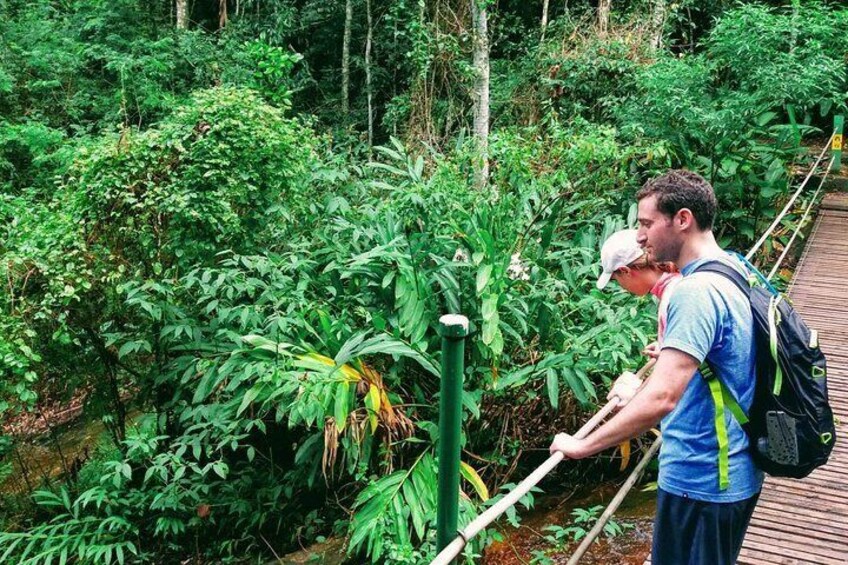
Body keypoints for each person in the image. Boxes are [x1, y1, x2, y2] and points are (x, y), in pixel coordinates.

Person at [551, 170, 762, 565]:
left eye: (646, 224)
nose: (641, 238)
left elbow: (662, 397)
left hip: (704, 480)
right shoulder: (732, 267)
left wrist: (582, 445)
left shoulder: (695, 293)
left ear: (682, 220)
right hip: (729, 469)